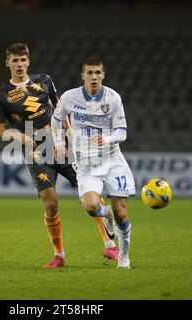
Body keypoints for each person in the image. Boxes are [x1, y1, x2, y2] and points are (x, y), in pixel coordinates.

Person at [0, 43, 119, 268]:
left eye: (23, 60)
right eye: (15, 60)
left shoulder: (44, 81)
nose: (20, 64)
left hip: (64, 146)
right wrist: (22, 138)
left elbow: (60, 108)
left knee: (89, 193)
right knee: (50, 203)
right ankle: (59, 255)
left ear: (29, 61)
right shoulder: (0, 95)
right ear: (7, 62)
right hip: (37, 152)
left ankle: (110, 247)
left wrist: (69, 132)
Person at [51, 57, 135, 268]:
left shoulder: (113, 98)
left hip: (112, 158)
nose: (94, 76)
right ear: (83, 75)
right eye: (90, 72)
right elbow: (56, 119)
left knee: (122, 212)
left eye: (98, 72)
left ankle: (123, 257)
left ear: (103, 74)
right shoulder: (70, 97)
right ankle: (105, 214)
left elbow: (122, 132)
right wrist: (59, 142)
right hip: (87, 161)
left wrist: (106, 139)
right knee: (90, 207)